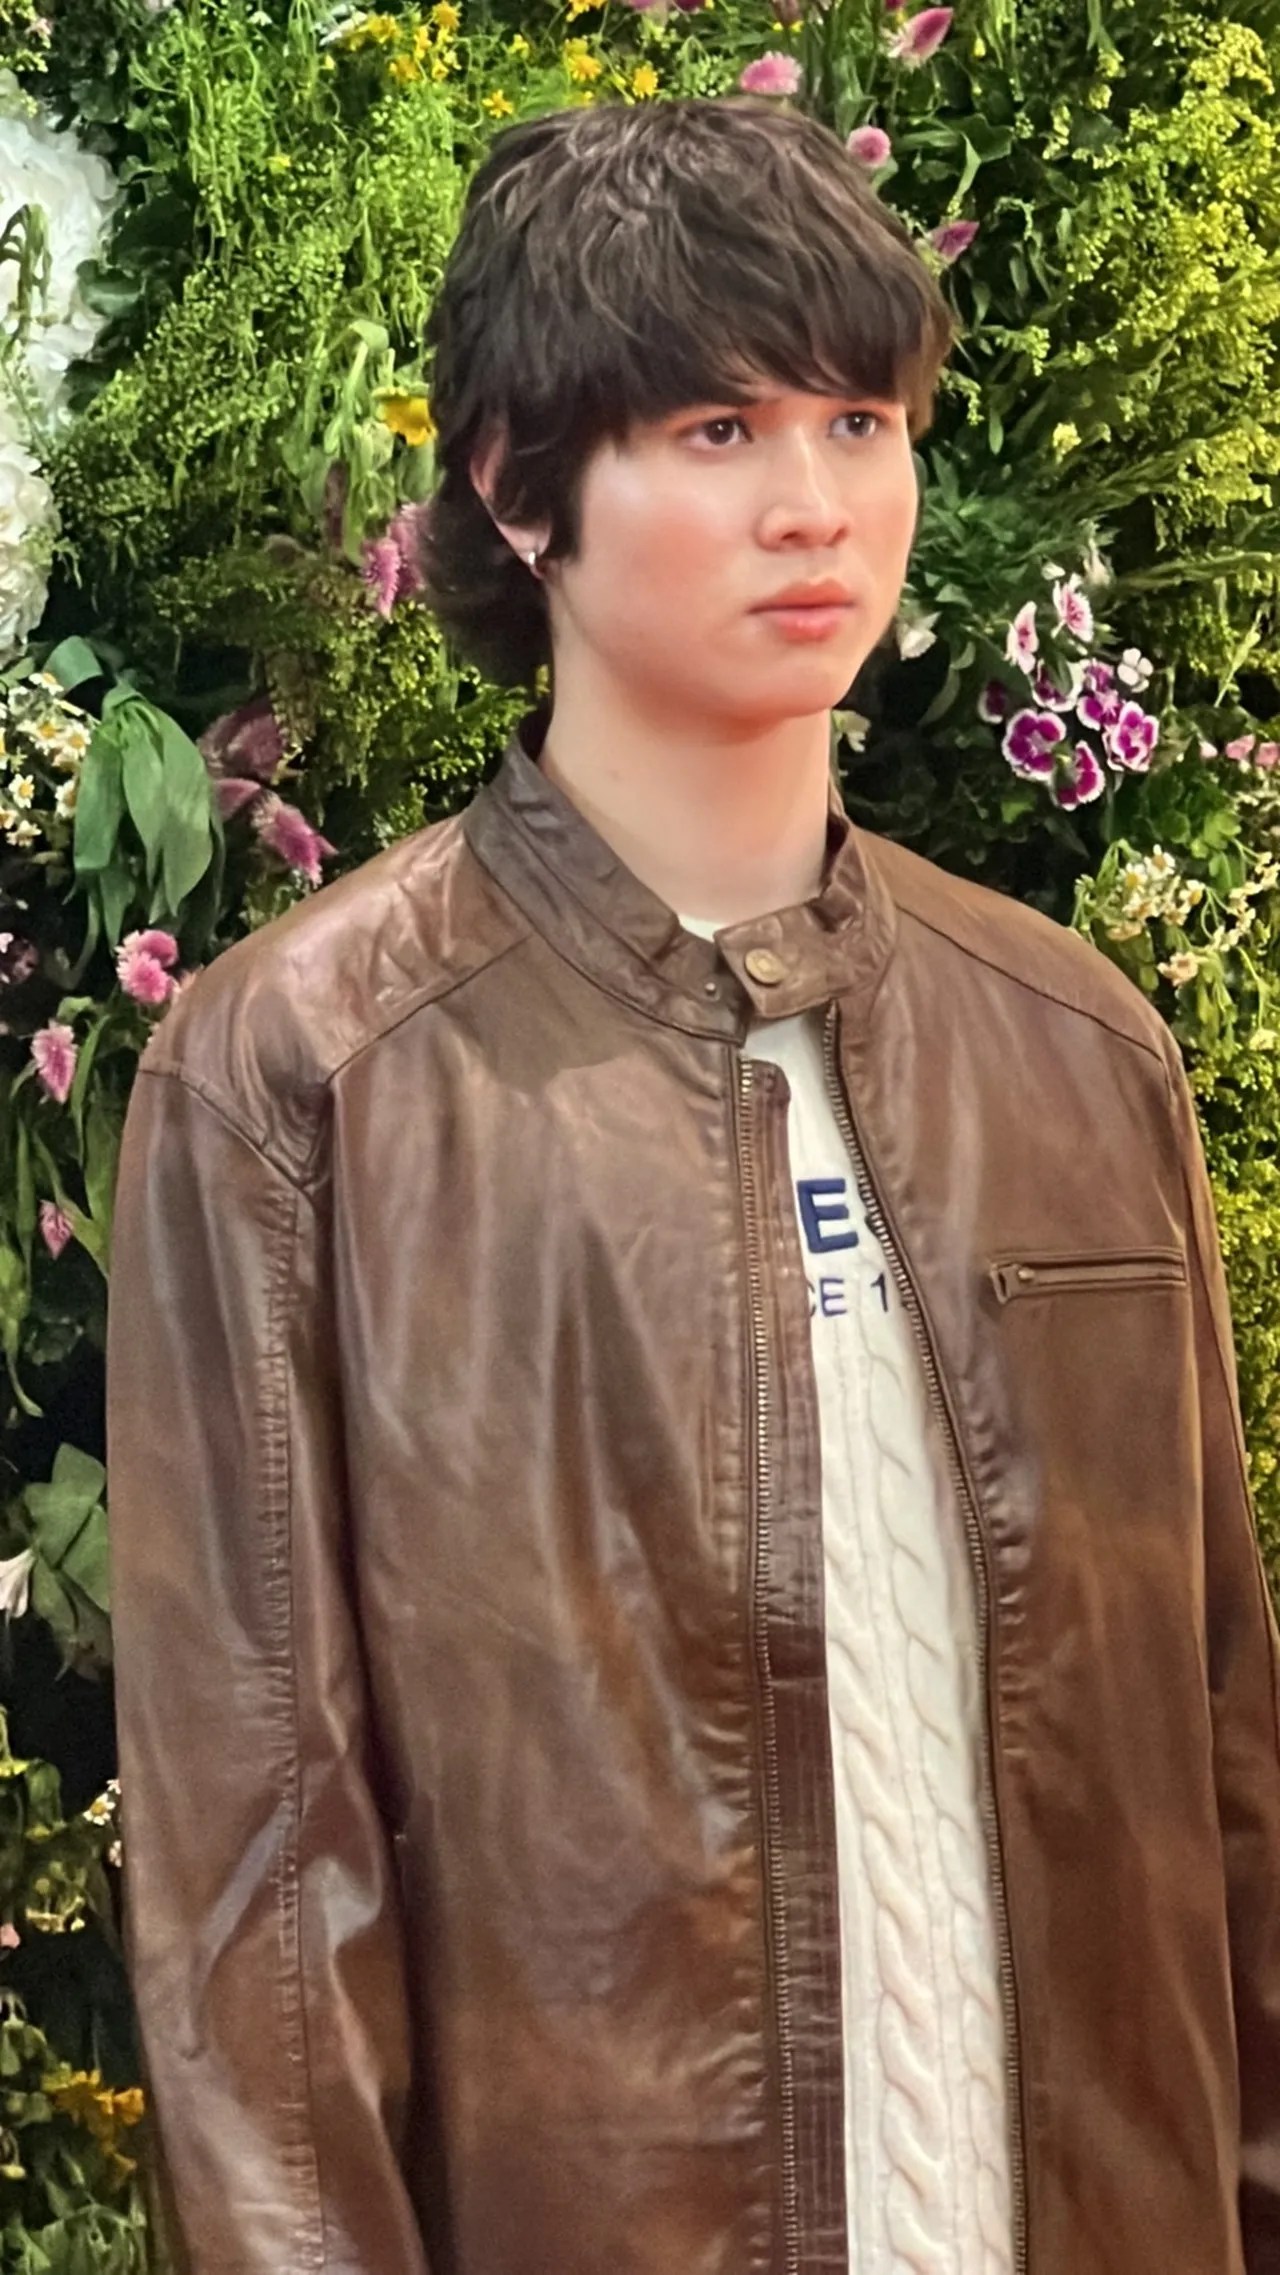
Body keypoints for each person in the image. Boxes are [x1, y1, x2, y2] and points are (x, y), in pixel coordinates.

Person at [107, 96, 1280, 2275]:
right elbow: (259, 1890)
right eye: (718, 430)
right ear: (514, 482)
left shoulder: (1076, 1048)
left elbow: (1222, 1767)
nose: (814, 503)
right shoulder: (306, 1075)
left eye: (859, 421)